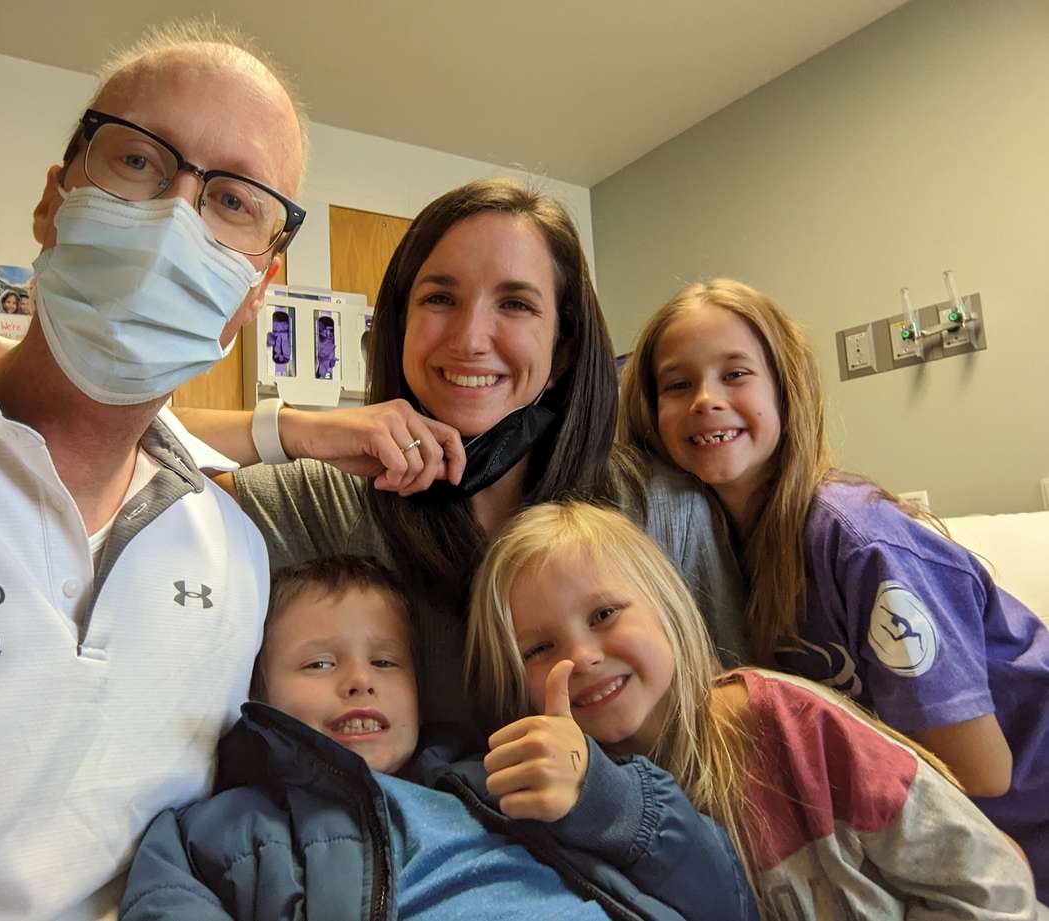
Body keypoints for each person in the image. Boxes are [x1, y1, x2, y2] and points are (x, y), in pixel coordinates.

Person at [0, 20, 306, 921]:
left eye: (234, 200)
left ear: (255, 292)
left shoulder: (236, 556)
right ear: (54, 200)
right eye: (137, 162)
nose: (174, 220)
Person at [177, 178, 748, 742]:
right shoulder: (325, 498)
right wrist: (296, 427)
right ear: (399, 325)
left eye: (516, 303)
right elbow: (122, 445)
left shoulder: (660, 507)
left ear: (563, 347)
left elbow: (736, 724)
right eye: (440, 298)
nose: (472, 338)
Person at [618, 278, 1049, 900]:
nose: (706, 399)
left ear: (786, 392)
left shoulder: (859, 540)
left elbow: (980, 772)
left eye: (736, 374)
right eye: (678, 384)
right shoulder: (709, 559)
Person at [465, 501, 1040, 918]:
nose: (583, 658)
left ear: (668, 606)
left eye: (604, 615)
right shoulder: (564, 806)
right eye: (539, 649)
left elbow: (993, 888)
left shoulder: (791, 724)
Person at [120, 555, 757, 920]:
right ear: (256, 693)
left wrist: (603, 797)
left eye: (386, 662)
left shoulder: (502, 775)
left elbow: (725, 902)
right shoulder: (217, 829)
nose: (358, 683)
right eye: (319, 664)